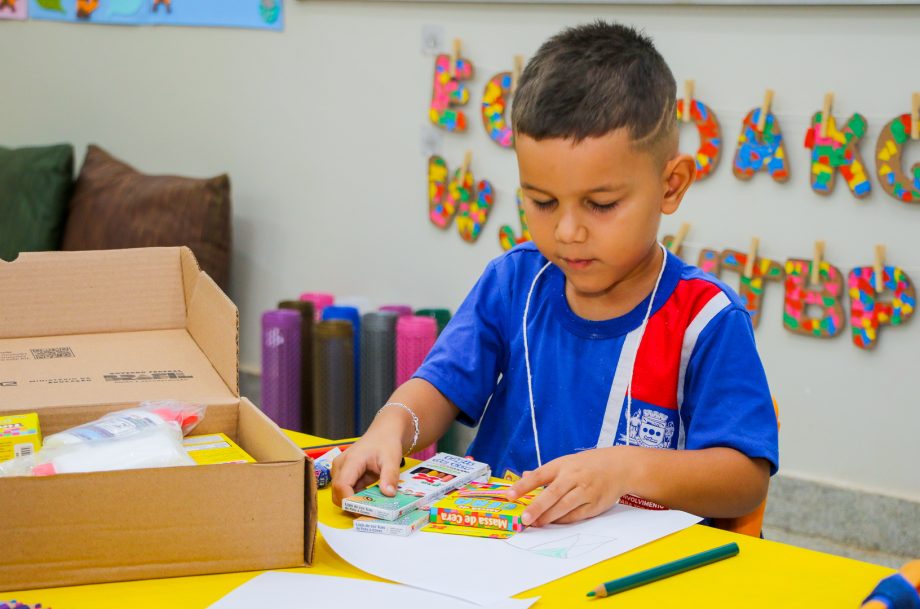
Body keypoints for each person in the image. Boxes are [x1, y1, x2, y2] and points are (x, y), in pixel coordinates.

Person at [333, 20, 778, 528]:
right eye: (542, 202)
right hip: (491, 551)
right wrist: (392, 426)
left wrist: (626, 468)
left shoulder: (706, 319)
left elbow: (745, 478)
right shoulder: (514, 281)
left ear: (671, 186)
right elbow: (438, 387)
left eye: (601, 204)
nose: (567, 231)